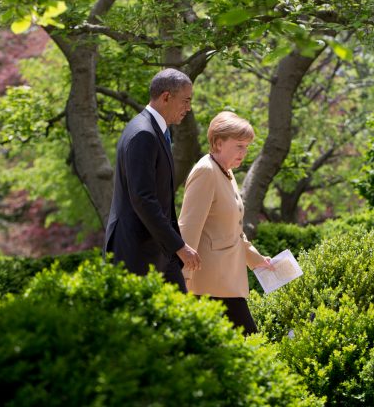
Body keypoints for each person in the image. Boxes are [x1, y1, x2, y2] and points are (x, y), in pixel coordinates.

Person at [104, 68, 201, 292]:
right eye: (186, 101)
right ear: (166, 96)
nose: (189, 108)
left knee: (179, 318)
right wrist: (180, 246)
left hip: (158, 250)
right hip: (136, 252)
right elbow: (143, 198)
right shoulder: (143, 134)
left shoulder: (154, 130)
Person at [178, 111, 272, 334]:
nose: (244, 152)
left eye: (247, 146)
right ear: (218, 143)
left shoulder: (226, 172)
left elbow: (234, 230)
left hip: (226, 281)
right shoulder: (206, 171)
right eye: (239, 145)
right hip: (209, 283)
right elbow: (189, 227)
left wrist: (256, 259)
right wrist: (182, 278)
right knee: (251, 343)